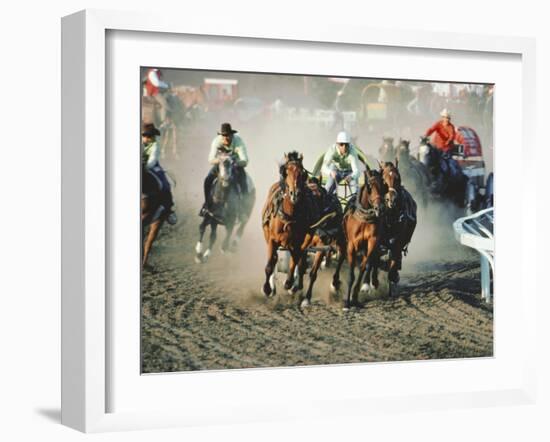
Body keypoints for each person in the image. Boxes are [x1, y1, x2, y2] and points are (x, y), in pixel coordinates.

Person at [203, 123, 249, 209]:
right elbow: (210, 159)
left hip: (235, 164)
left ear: (232, 135)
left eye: (228, 135)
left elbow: (245, 161)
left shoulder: (238, 142)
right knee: (208, 180)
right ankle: (207, 204)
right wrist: (221, 160)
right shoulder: (216, 142)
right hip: (221, 164)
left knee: (243, 181)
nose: (226, 138)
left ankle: (244, 207)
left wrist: (234, 162)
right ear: (221, 135)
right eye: (223, 135)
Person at [142, 123, 177, 225]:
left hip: (152, 167)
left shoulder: (156, 145)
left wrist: (144, 167)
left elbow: (153, 160)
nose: (147, 138)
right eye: (145, 135)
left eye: (150, 136)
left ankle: (168, 209)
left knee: (164, 183)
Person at [321, 131, 361, 195]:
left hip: (349, 171)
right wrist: (330, 172)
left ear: (349, 144)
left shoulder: (352, 151)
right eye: (341, 144)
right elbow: (323, 167)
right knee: (326, 191)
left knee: (357, 193)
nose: (344, 147)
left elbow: (357, 171)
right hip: (335, 170)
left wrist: (351, 177)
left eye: (346, 144)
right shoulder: (332, 150)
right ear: (337, 144)